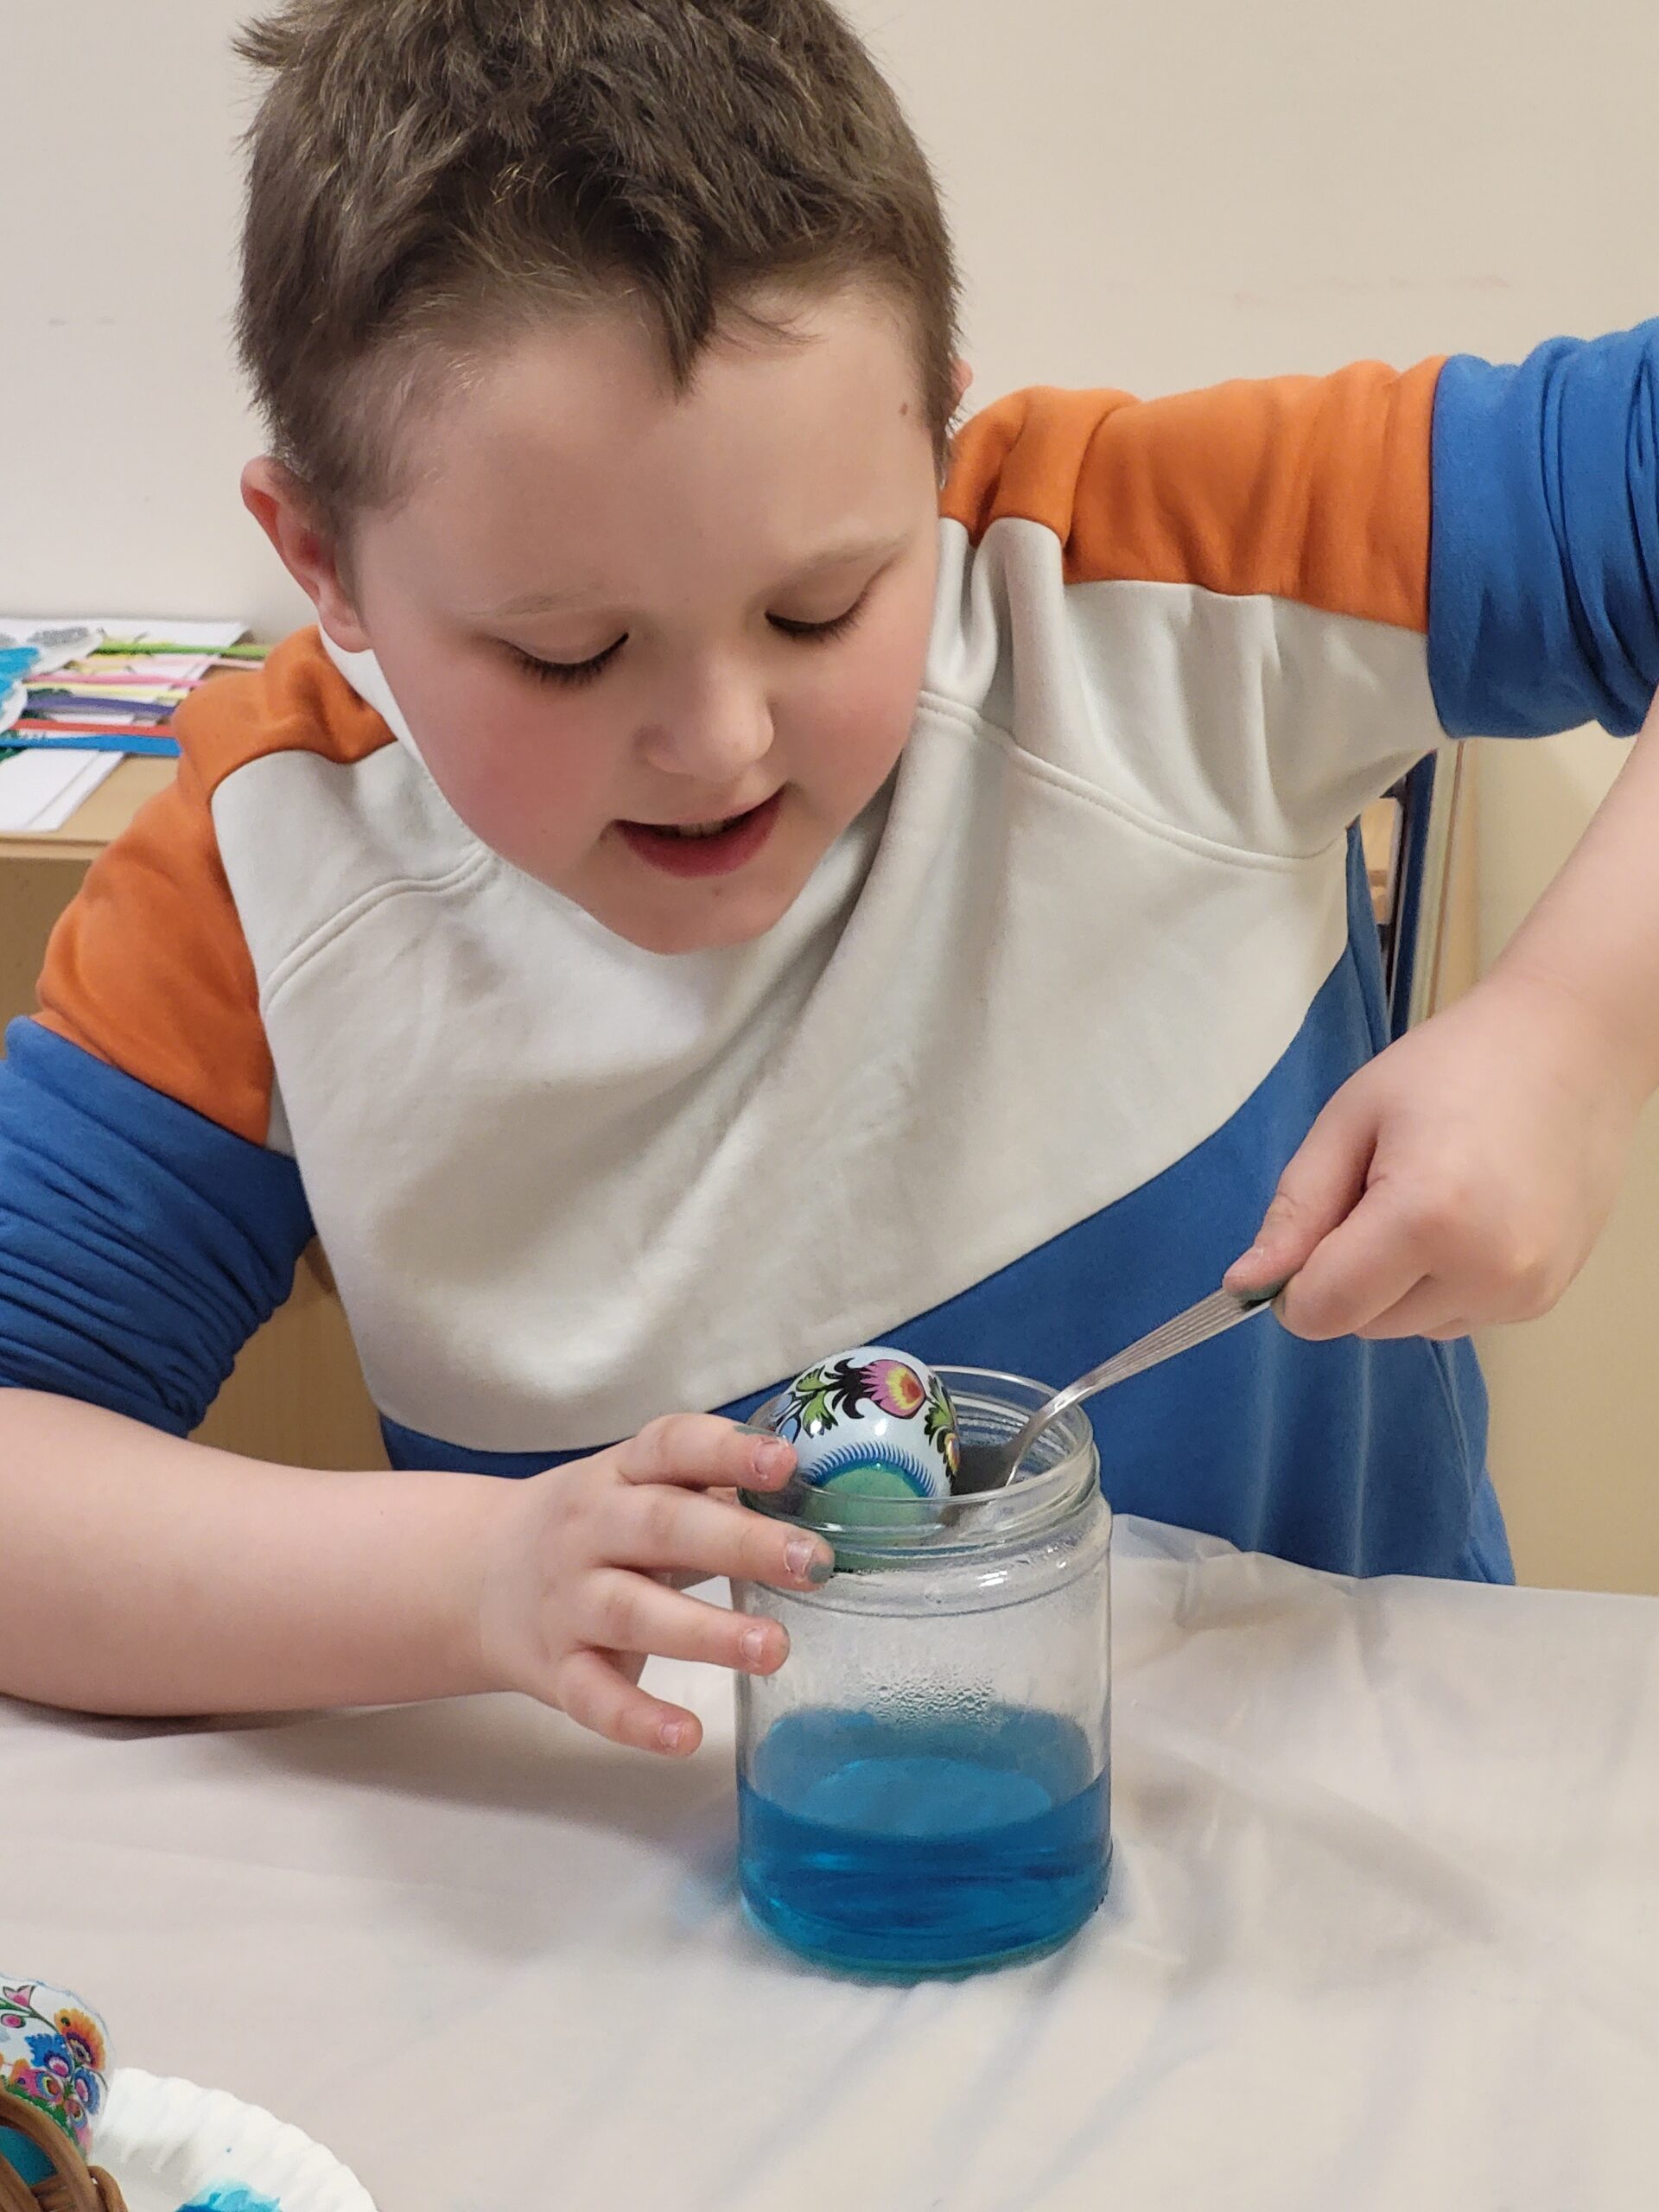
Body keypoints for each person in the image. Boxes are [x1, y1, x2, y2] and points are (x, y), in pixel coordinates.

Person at [3, 0, 1657, 1747]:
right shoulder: (271, 867)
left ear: (931, 437)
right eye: (568, 655)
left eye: (821, 607)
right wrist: (476, 1575)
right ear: (321, 559)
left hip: (1342, 1811)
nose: (720, 744)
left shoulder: (1144, 579)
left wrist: (1576, 1032)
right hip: (693, 1882)